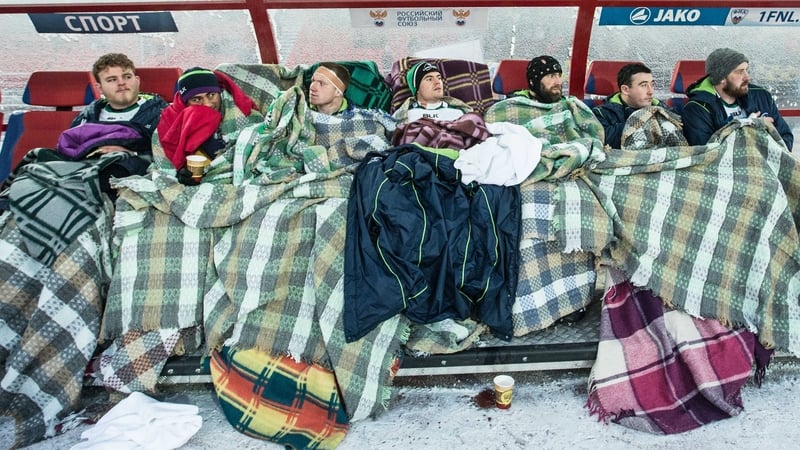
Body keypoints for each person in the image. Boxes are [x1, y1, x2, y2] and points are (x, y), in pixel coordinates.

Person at [155, 66, 263, 182]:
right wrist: (180, 174)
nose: (207, 104)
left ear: (219, 93)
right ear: (185, 103)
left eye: (211, 95)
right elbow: (161, 167)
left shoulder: (248, 117)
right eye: (196, 99)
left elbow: (261, 156)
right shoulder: (169, 126)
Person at [682, 48, 793, 150]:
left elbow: (785, 137)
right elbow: (707, 154)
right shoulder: (697, 109)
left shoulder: (761, 96)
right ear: (721, 78)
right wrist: (749, 128)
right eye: (739, 72)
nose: (747, 77)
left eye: (746, 70)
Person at [592, 63, 669, 149]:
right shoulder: (601, 114)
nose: (650, 91)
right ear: (625, 90)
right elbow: (603, 143)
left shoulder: (665, 111)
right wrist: (642, 122)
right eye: (644, 85)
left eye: (652, 85)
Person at [393, 61, 472, 123]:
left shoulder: (459, 114)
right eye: (429, 79)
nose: (437, 82)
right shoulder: (406, 116)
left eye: (439, 78)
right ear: (417, 88)